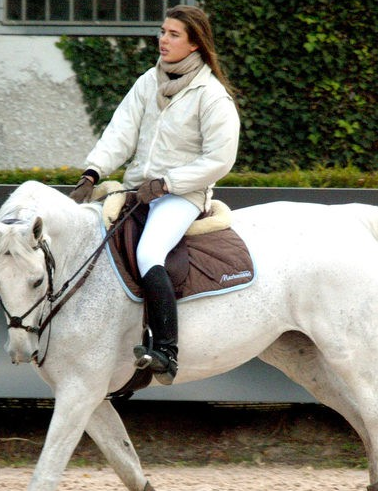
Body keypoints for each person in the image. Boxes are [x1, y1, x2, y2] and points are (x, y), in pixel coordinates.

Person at [69, 5, 240, 384]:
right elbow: (121, 131)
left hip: (182, 197)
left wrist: (168, 184)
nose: (163, 39)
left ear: (195, 44)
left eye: (173, 34)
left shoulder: (211, 96)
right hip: (137, 190)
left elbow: (220, 159)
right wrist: (92, 171)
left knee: (149, 252)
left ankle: (166, 349)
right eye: (162, 32)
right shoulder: (149, 81)